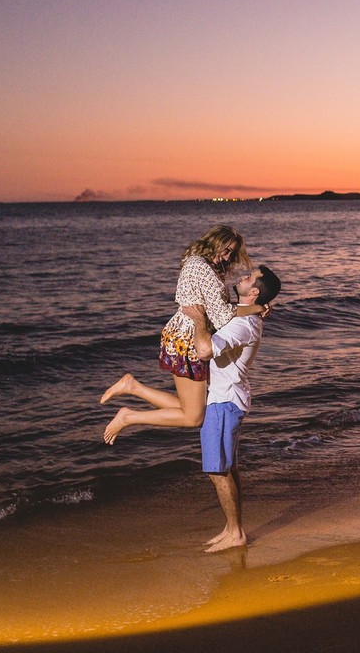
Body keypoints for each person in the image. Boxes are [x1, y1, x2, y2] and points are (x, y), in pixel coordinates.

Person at [101, 225, 262, 444]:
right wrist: (255, 308)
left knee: (194, 410)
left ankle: (132, 387)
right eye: (226, 250)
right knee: (194, 417)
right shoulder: (201, 267)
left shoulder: (205, 264)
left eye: (231, 253)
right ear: (215, 242)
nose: (227, 257)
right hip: (185, 340)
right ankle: (128, 416)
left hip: (186, 335)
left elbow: (216, 309)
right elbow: (222, 315)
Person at [183, 264, 280, 552]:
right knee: (228, 468)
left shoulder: (243, 325)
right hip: (229, 399)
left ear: (254, 292)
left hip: (223, 401)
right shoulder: (245, 315)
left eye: (250, 277)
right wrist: (259, 308)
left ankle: (236, 533)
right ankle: (231, 527)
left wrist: (199, 320)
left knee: (218, 471)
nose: (243, 276)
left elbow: (204, 350)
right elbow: (228, 309)